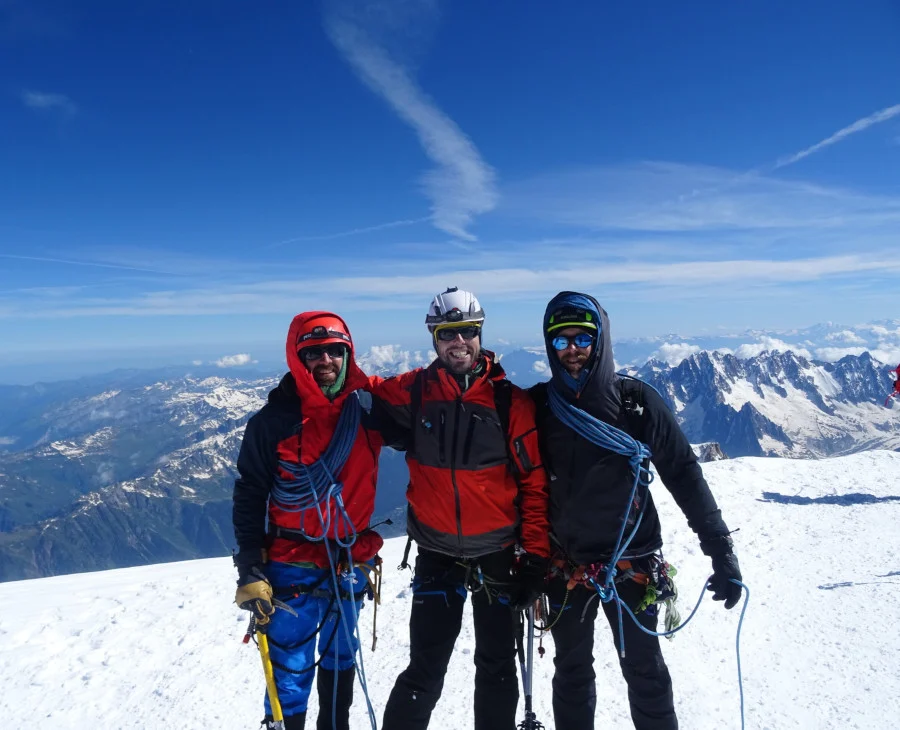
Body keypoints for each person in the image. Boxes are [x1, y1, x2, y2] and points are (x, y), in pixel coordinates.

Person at [528, 291, 743, 730]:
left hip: (629, 563)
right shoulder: (537, 407)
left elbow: (683, 473)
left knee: (643, 672)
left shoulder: (636, 402)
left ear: (600, 339)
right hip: (564, 563)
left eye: (582, 339)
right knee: (573, 673)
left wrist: (720, 549)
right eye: (560, 342)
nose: (572, 351)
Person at [375, 287, 551, 730]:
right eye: (448, 333)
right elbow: (361, 389)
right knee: (425, 669)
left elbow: (533, 484)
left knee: (496, 667)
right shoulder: (413, 391)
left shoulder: (511, 402)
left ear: (480, 333)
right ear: (434, 338)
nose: (459, 342)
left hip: (498, 554)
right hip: (437, 552)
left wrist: (534, 559)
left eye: (468, 331)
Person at [232, 311, 398, 730]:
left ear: (348, 353)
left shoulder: (368, 411)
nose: (326, 359)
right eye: (313, 352)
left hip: (348, 558)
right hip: (292, 561)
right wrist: (250, 567)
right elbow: (251, 493)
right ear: (297, 357)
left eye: (334, 350)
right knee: (289, 672)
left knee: (342, 657)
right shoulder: (273, 424)